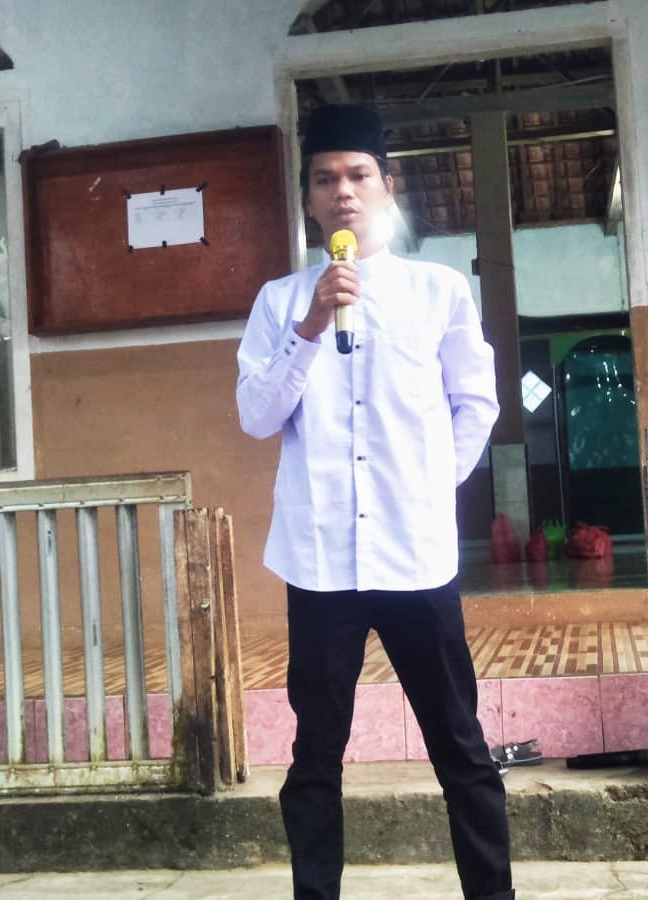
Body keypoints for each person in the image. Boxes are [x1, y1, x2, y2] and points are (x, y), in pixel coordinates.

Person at [235, 103, 513, 900]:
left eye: (358, 175)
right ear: (309, 198)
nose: (343, 192)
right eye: (325, 179)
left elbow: (476, 403)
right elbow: (256, 417)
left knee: (460, 746)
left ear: (388, 186)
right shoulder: (280, 302)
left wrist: (429, 490)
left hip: (414, 557)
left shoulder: (437, 291)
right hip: (321, 562)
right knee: (315, 757)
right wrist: (311, 325)